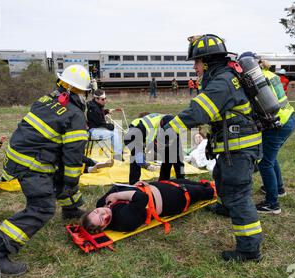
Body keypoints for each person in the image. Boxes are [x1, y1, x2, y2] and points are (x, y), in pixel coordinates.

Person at [0, 64, 91, 277]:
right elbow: (73, 154)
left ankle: (71, 209)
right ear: (82, 92)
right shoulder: (75, 114)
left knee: (59, 175)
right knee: (43, 207)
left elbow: (52, 140)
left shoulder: (44, 100)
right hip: (31, 164)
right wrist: (71, 180)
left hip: (18, 156)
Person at [162, 34, 263, 262]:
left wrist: (169, 128)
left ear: (207, 61)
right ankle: (226, 207)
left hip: (239, 147)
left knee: (239, 194)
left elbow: (198, 111)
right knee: (220, 176)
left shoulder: (222, 82)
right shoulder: (224, 76)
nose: (195, 67)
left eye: (196, 62)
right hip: (232, 145)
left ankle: (249, 249)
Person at [240, 52, 295, 214]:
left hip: (276, 124)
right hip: (289, 118)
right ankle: (278, 189)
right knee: (271, 158)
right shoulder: (271, 74)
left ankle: (272, 204)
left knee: (265, 162)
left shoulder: (254, 80)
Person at [80, 179, 216, 233]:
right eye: (102, 218)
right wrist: (117, 196)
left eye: (97, 211)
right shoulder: (123, 220)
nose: (104, 212)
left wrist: (132, 187)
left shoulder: (101, 204)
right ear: (104, 227)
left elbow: (116, 188)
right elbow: (141, 198)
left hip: (156, 186)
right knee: (208, 191)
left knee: (199, 183)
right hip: (173, 199)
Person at [124, 112, 184, 185]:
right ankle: (134, 182)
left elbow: (178, 157)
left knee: (171, 154)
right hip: (135, 133)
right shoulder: (143, 127)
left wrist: (181, 179)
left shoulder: (174, 128)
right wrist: (145, 164)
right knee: (136, 155)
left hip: (152, 134)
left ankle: (163, 181)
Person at [87, 89, 123, 161]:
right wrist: (110, 126)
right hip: (93, 131)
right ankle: (118, 157)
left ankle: (118, 153)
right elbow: (100, 123)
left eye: (105, 98)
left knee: (116, 131)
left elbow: (100, 114)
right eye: (102, 99)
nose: (105, 101)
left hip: (97, 128)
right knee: (114, 134)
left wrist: (107, 111)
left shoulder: (96, 106)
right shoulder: (94, 109)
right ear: (96, 99)